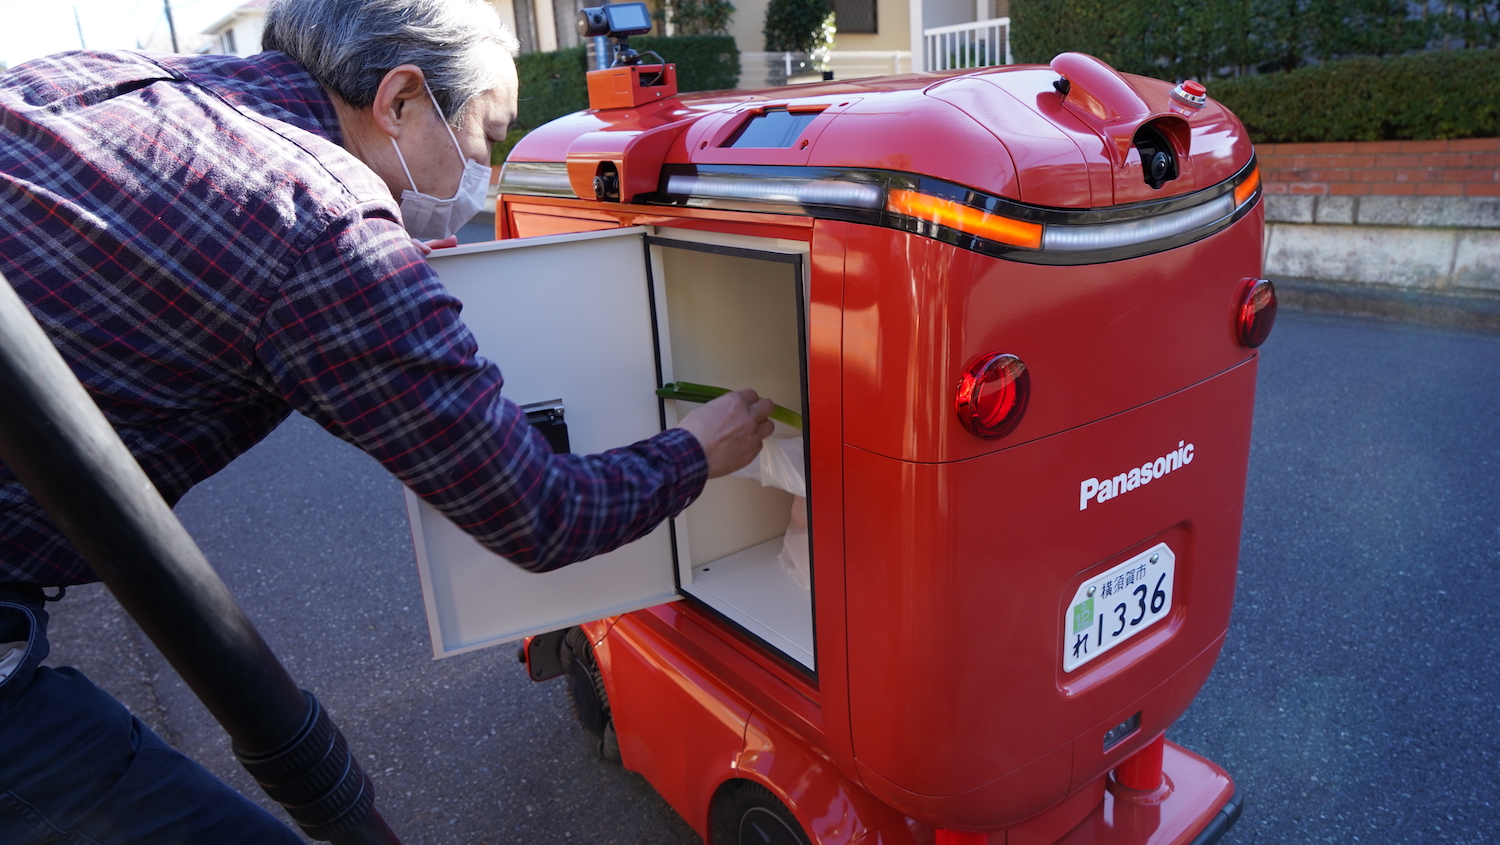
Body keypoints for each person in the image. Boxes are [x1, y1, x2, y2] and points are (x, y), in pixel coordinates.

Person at [0, 0, 773, 841]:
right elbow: (541, 513)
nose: (486, 166)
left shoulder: (94, 79)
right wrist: (698, 449)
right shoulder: (322, 223)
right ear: (401, 100)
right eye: (486, 132)